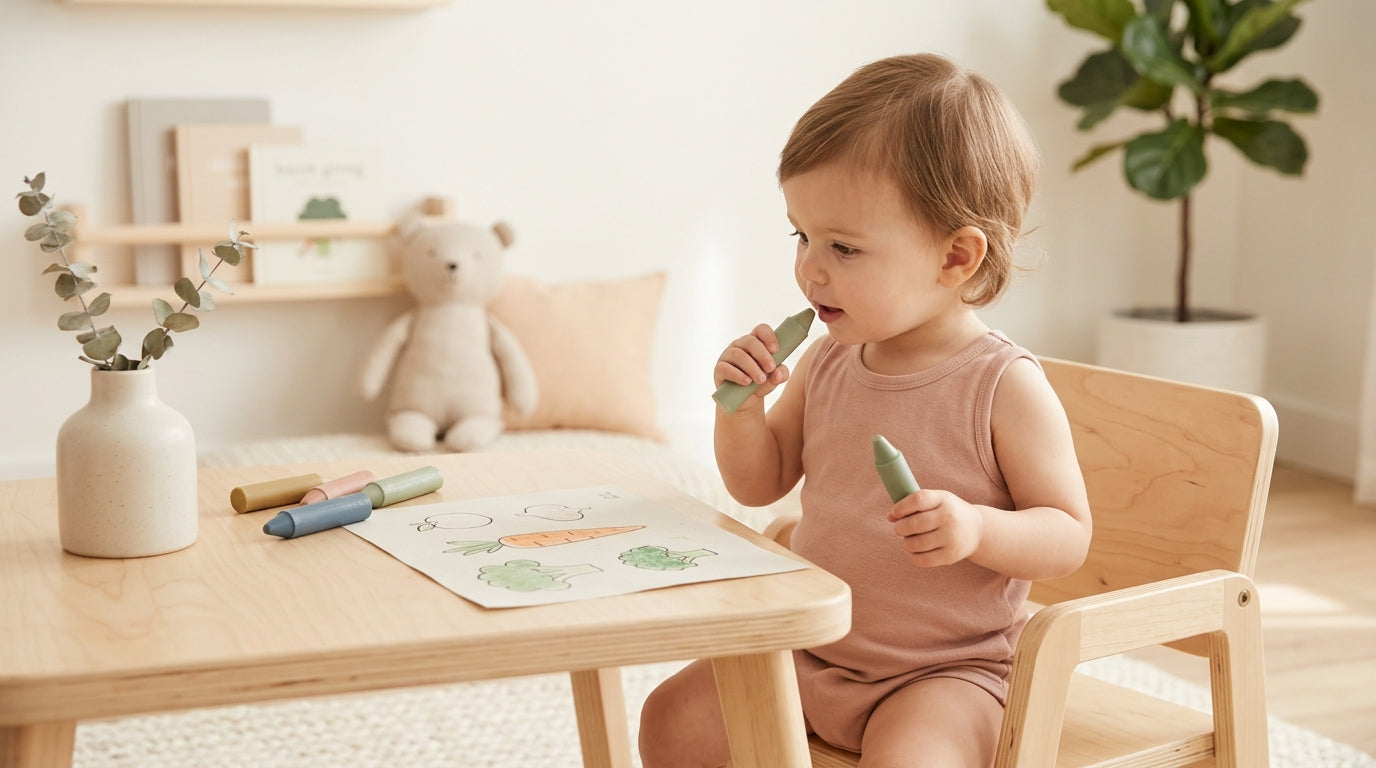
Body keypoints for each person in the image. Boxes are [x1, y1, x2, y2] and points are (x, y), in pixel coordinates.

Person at [638, 53, 1093, 768]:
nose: (810, 268)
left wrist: (976, 528)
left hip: (946, 677)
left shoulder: (1004, 385)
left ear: (956, 258)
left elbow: (1067, 535)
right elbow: (760, 484)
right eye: (802, 235)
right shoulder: (829, 359)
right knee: (674, 719)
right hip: (814, 650)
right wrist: (742, 411)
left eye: (844, 247)